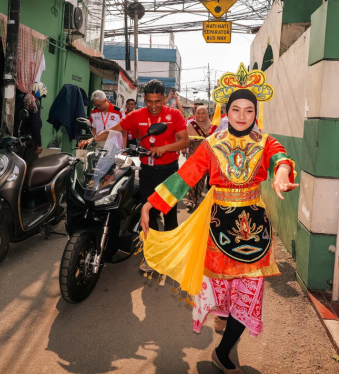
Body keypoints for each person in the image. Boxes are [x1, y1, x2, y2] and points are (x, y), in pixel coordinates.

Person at [140, 86, 298, 373]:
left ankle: (222, 352)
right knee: (223, 288)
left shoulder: (265, 142)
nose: (242, 116)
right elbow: (186, 175)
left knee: (250, 291)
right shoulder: (211, 144)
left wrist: (282, 175)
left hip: (255, 229)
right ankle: (224, 314)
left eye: (249, 110)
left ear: (256, 113)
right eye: (236, 110)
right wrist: (152, 203)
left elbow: (280, 158)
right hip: (218, 229)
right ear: (226, 112)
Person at [79, 79, 189, 232]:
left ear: (164, 98)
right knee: (148, 213)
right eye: (149, 101)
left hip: (169, 171)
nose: (154, 106)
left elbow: (185, 141)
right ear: (144, 99)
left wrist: (165, 148)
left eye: (158, 101)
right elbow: (113, 130)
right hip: (147, 171)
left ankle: (171, 252)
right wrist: (91, 139)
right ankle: (151, 250)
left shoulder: (174, 114)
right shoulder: (137, 115)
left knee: (170, 214)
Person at [19, 81, 47, 166]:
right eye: (40, 96)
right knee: (31, 164)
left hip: (20, 136)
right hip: (30, 139)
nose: (39, 99)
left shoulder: (23, 100)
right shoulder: (34, 104)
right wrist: (38, 144)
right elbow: (36, 126)